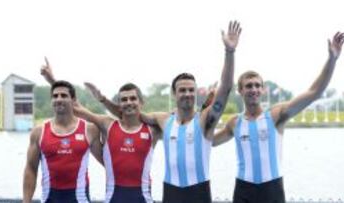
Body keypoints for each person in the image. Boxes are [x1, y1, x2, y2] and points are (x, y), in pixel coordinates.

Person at [103, 20, 242, 203]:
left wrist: (229, 52)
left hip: (199, 192)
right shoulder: (163, 120)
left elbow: (224, 89)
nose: (187, 94)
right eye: (182, 90)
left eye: (191, 90)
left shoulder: (205, 120)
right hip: (171, 192)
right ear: (174, 93)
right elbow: (129, 112)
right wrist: (103, 100)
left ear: (195, 92)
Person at [212, 32, 344, 203]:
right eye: (248, 86)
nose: (253, 89)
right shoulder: (234, 123)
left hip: (272, 189)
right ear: (240, 91)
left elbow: (315, 92)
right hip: (243, 190)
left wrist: (332, 59)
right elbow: (209, 142)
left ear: (263, 90)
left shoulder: (276, 115)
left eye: (257, 85)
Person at [41, 61, 161, 203]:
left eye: (133, 98)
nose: (129, 102)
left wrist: (103, 100)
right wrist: (53, 81)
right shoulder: (107, 125)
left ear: (142, 102)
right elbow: (75, 107)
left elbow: (179, 121)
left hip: (143, 198)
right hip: (113, 198)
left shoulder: (153, 130)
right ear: (119, 105)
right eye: (124, 100)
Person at [23, 80, 103, 203]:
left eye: (64, 95)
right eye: (55, 96)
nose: (59, 99)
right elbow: (31, 168)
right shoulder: (39, 132)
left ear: (73, 100)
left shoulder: (89, 129)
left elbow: (108, 162)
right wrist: (26, 201)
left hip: (79, 199)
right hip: (50, 199)